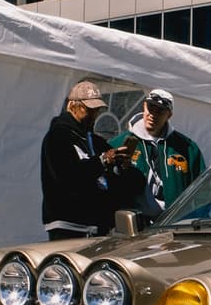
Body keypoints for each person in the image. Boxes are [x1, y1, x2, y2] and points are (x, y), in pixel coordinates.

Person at [41, 79, 146, 240]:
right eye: (88, 109)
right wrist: (103, 161)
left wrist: (121, 168)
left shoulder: (95, 141)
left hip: (97, 227)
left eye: (97, 110)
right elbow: (66, 176)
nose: (93, 114)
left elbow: (121, 182)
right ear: (73, 105)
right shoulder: (57, 136)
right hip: (67, 225)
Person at [107, 88, 204, 216]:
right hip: (133, 225)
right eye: (150, 108)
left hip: (172, 224)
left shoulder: (187, 148)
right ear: (144, 106)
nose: (153, 114)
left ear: (169, 115)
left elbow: (202, 191)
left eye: (160, 111)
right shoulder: (118, 144)